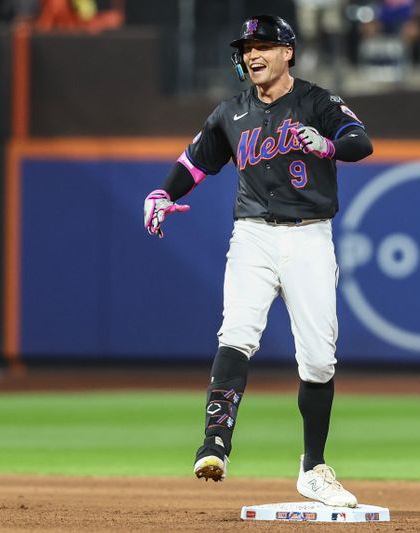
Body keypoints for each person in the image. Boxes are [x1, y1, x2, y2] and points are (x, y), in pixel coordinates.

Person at [143, 14, 373, 507]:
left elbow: (361, 141)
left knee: (318, 357)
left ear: (287, 51)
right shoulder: (231, 111)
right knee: (237, 332)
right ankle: (215, 443)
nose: (253, 54)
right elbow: (195, 163)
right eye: (248, 47)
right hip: (253, 235)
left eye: (264, 45)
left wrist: (330, 143)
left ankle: (313, 468)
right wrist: (163, 192)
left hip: (310, 237)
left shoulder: (316, 101)